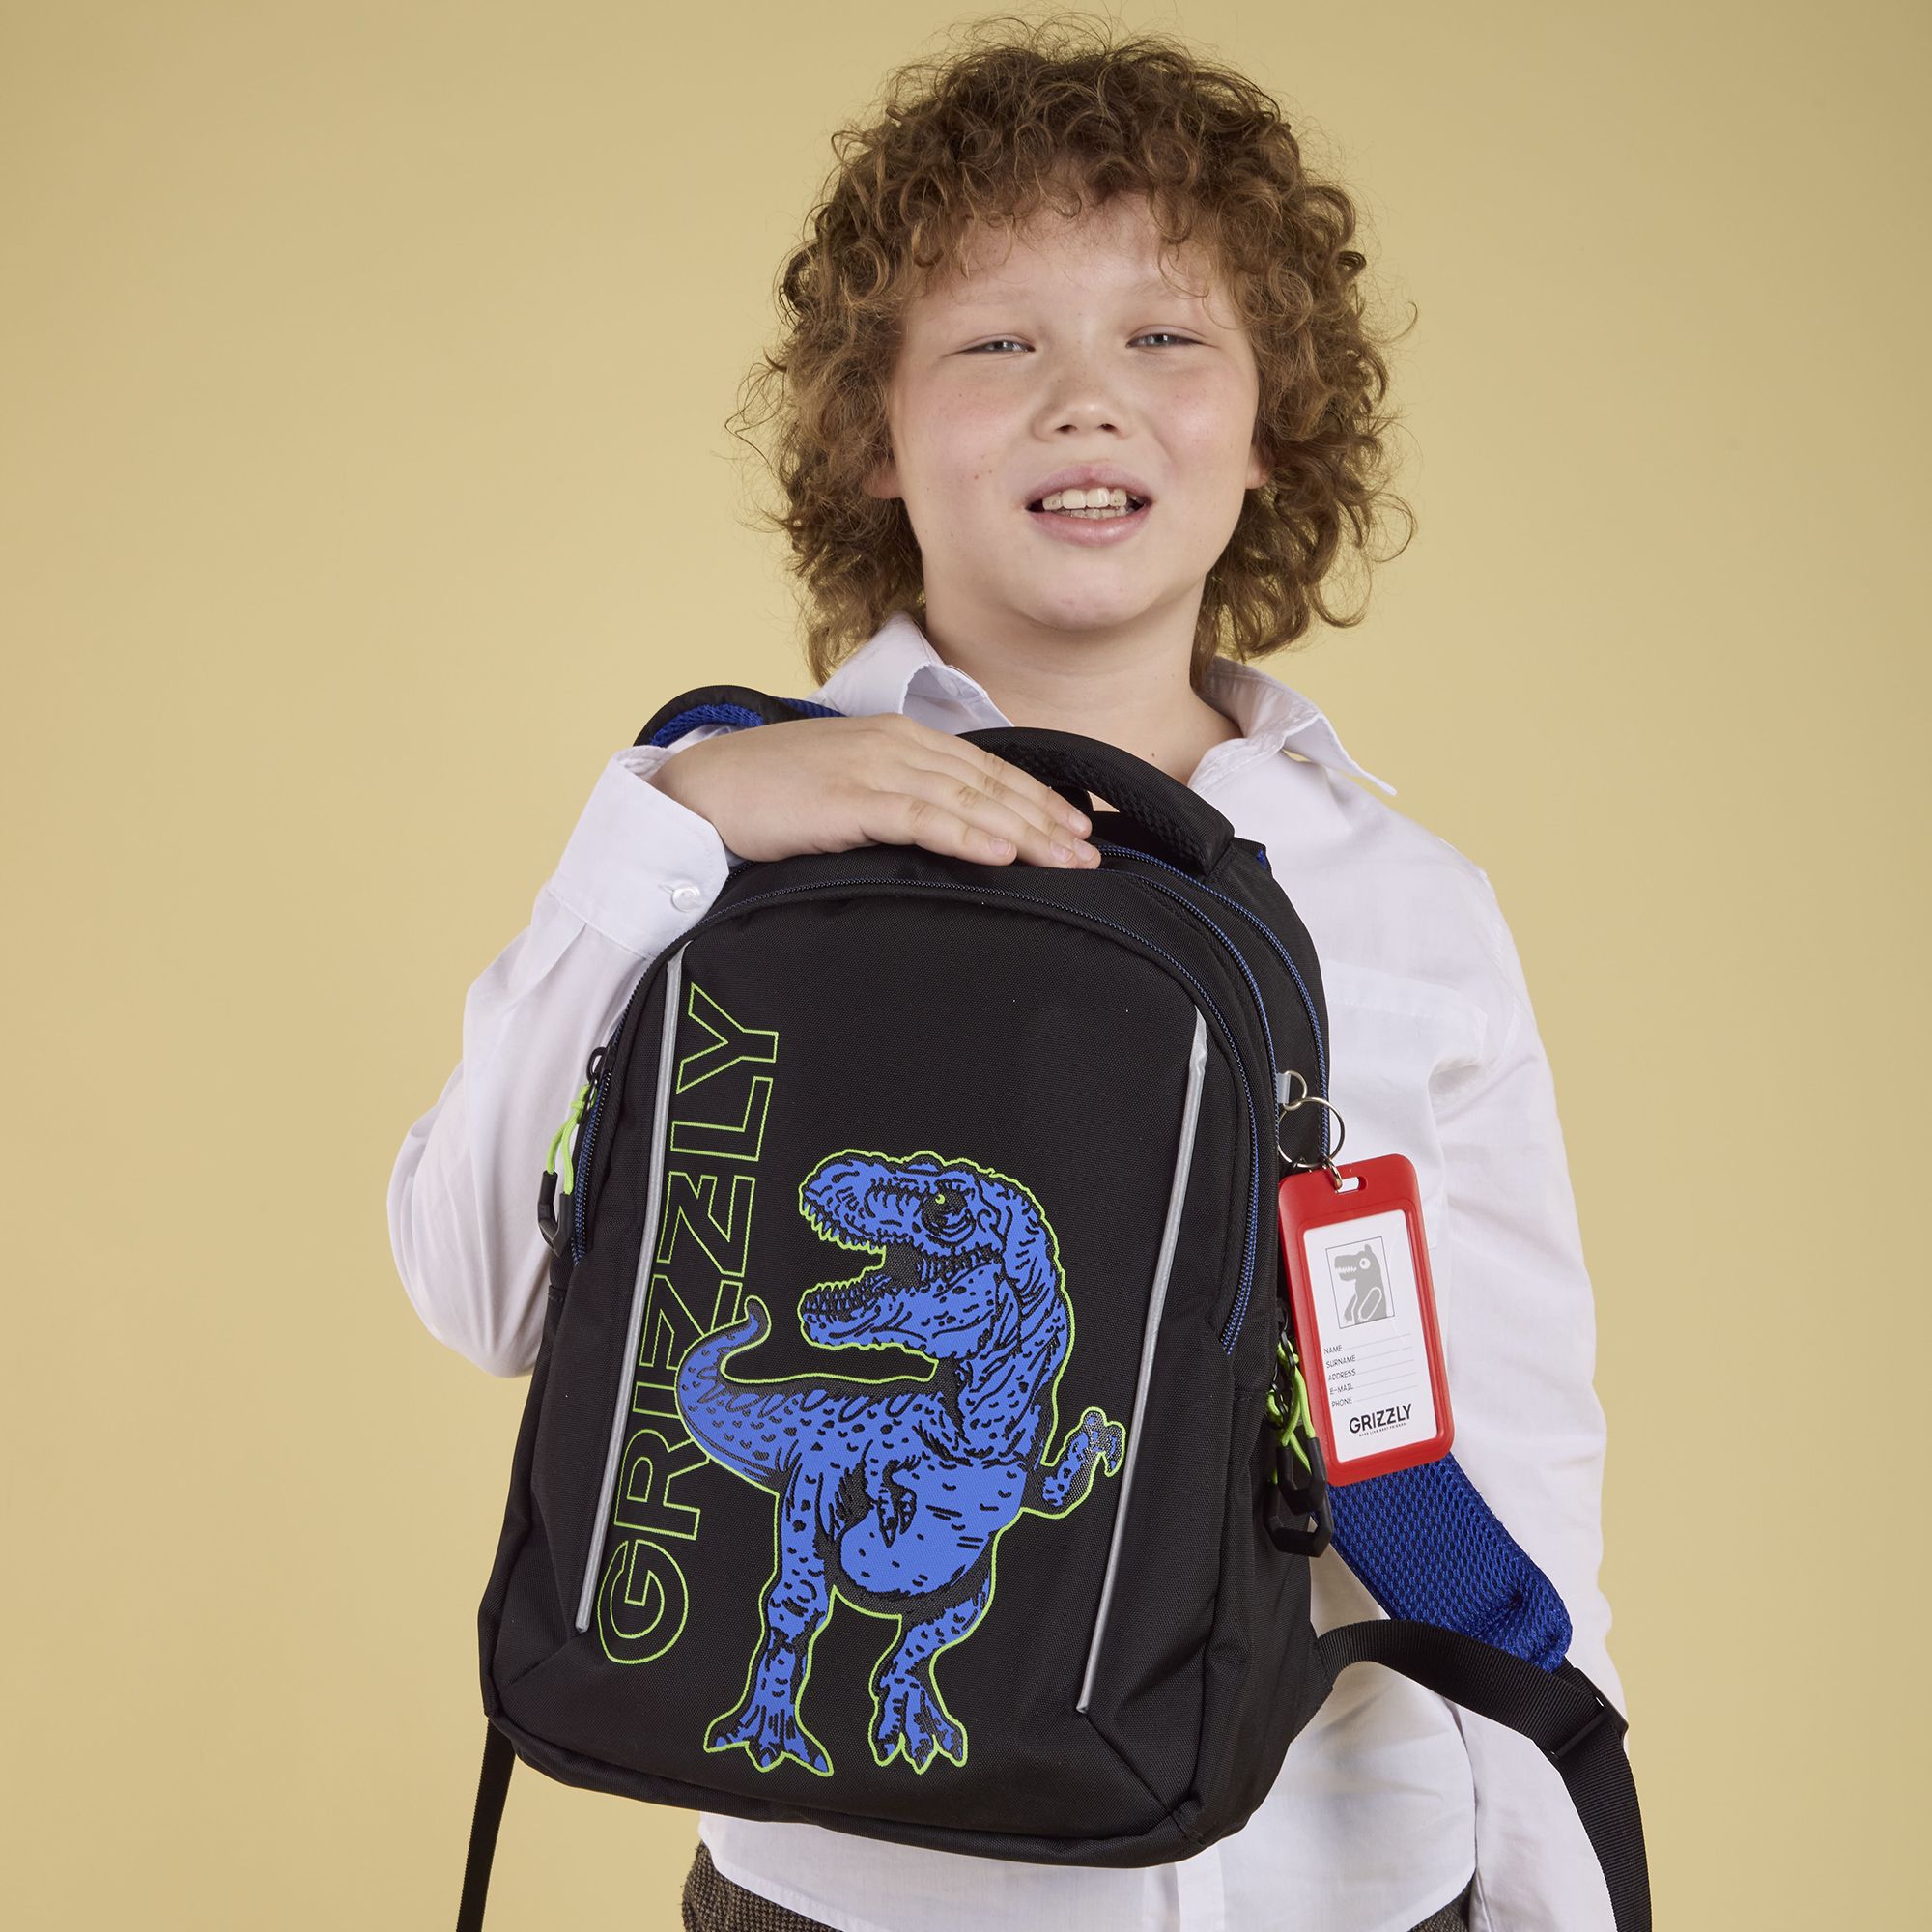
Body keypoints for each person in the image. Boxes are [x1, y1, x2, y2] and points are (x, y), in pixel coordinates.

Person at [388, 18, 1625, 1932]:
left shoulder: (1408, 904)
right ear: (871, 435)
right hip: (855, 1891)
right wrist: (672, 817)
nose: (1085, 400)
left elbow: (1508, 1453)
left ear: (1270, 427)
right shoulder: (719, 839)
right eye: (995, 344)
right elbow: (484, 1290)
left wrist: (1559, 1889)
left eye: (1164, 336)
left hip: (1351, 1877)